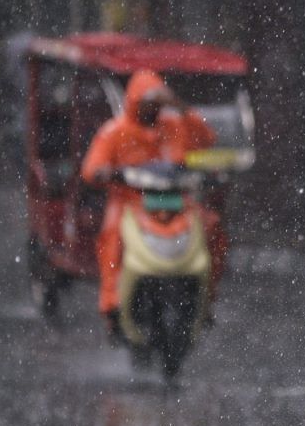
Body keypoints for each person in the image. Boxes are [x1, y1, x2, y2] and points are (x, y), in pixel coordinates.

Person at [80, 70, 226, 335]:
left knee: (211, 227)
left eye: (158, 104)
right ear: (135, 103)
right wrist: (106, 173)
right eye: (148, 104)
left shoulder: (175, 126)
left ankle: (206, 298)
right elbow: (92, 168)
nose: (154, 110)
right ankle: (112, 303)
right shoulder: (115, 132)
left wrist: (180, 107)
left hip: (177, 201)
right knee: (112, 234)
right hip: (131, 202)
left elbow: (206, 139)